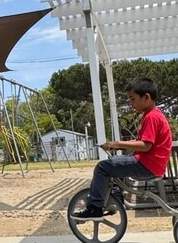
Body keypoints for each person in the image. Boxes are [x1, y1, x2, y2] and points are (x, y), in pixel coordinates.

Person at [72, 77, 172, 220]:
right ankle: (115, 200)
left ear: (146, 97)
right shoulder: (153, 115)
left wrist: (117, 144)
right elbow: (142, 142)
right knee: (114, 162)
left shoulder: (151, 117)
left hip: (147, 165)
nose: (131, 104)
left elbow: (145, 146)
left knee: (102, 167)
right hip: (151, 164)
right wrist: (115, 144)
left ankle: (94, 208)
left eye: (132, 99)